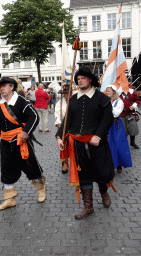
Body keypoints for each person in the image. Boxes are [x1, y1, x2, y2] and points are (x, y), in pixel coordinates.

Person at [56, 66, 115, 220]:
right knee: (84, 175)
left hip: (97, 143)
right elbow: (67, 120)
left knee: (102, 173)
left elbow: (108, 119)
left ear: (90, 80)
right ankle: (88, 207)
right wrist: (59, 137)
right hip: (77, 145)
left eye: (83, 78)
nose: (80, 81)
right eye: (78, 79)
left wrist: (98, 135)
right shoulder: (73, 99)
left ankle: (104, 192)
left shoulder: (101, 98)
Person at [0, 77, 46, 211]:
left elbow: (35, 117)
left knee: (31, 167)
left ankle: (41, 188)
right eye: (0, 87)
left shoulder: (22, 101)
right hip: (6, 143)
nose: (1, 89)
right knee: (6, 170)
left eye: (4, 86)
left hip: (22, 141)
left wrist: (26, 132)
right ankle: (9, 199)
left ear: (12, 87)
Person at [106, 85, 132, 173]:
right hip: (106, 125)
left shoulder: (119, 101)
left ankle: (119, 164)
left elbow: (116, 113)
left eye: (109, 91)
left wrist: (109, 105)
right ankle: (110, 165)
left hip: (115, 125)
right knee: (108, 145)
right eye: (107, 91)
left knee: (118, 145)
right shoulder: (104, 100)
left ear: (114, 91)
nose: (107, 92)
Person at [54, 84, 71, 173]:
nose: (66, 94)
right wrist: (59, 124)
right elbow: (57, 115)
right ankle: (65, 163)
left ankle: (76, 163)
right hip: (63, 128)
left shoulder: (76, 101)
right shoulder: (59, 103)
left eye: (68, 93)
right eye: (65, 93)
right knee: (63, 146)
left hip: (73, 128)